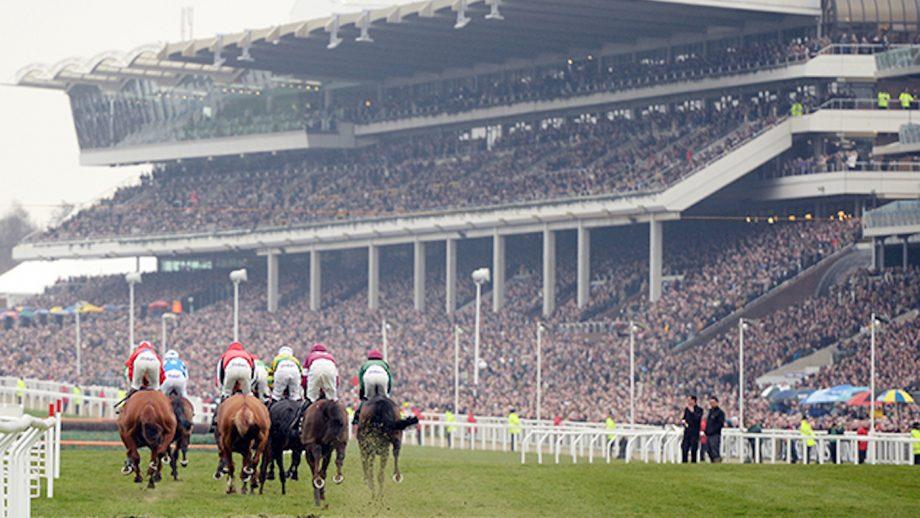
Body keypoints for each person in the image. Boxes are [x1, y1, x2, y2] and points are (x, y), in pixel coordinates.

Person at [211, 341, 255, 432]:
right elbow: (254, 373)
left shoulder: (225, 355)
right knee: (249, 396)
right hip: (246, 370)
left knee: (226, 394)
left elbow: (220, 374)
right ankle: (256, 415)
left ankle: (216, 418)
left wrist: (223, 389)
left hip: (231, 369)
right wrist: (249, 388)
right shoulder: (247, 355)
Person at [353, 349, 392, 424]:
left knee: (367, 399)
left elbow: (361, 381)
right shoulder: (384, 364)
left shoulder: (365, 364)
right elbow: (390, 380)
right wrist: (388, 391)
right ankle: (391, 417)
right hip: (383, 377)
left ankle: (357, 418)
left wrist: (362, 392)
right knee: (385, 400)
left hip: (369, 377)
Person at [680, 395, 703, 463]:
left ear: (694, 401)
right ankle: (684, 462)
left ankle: (693, 462)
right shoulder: (686, 409)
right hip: (687, 432)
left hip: (694, 432)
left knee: (694, 449)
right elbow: (684, 418)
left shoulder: (699, 410)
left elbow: (697, 419)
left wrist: (692, 412)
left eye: (690, 400)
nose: (688, 402)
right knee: (684, 448)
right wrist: (683, 421)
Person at [705, 396, 725, 463]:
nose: (711, 404)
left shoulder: (720, 413)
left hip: (715, 434)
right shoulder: (710, 412)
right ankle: (712, 461)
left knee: (714, 449)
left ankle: (717, 461)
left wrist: (713, 430)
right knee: (709, 450)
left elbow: (720, 424)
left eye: (713, 402)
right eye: (710, 403)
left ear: (717, 402)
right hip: (708, 434)